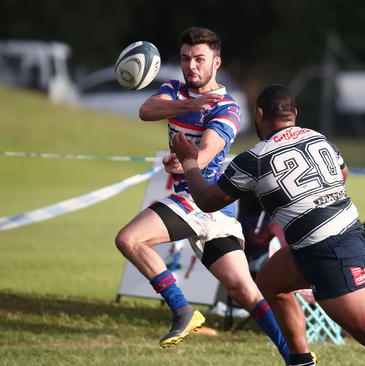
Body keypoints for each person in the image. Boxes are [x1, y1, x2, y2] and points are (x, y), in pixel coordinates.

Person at [172, 84, 365, 366]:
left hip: (327, 247)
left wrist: (190, 161)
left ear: (259, 114)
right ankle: (301, 361)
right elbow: (342, 173)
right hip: (333, 234)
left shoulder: (253, 159)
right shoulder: (319, 138)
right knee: (271, 282)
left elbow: (207, 201)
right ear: (294, 113)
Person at [114, 27, 289, 361]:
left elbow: (205, 154)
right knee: (244, 290)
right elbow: (147, 110)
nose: (191, 65)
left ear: (216, 62)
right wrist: (188, 105)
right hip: (206, 208)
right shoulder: (175, 91)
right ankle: (295, 355)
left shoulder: (227, 108)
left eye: (199, 59)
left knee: (130, 240)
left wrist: (181, 161)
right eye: (184, 58)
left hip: (201, 199)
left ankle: (183, 310)